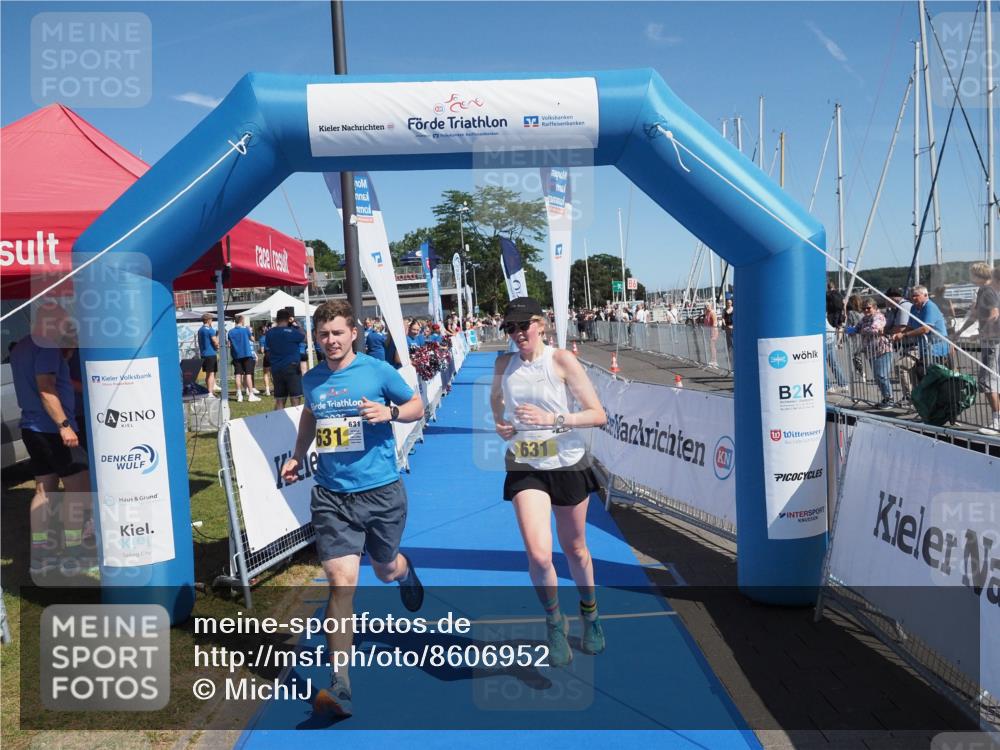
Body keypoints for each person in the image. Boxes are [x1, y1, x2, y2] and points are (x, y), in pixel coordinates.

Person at [281, 300, 425, 718]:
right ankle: (340, 683)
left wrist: (391, 412)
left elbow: (415, 405)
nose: (330, 341)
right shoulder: (312, 379)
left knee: (383, 569)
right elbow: (310, 416)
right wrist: (296, 454)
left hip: (380, 492)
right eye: (323, 335)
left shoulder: (377, 370)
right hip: (331, 495)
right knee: (340, 583)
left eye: (338, 333)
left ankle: (403, 569)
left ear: (353, 333)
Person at [490, 297, 608, 667]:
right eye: (510, 328)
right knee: (540, 554)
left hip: (567, 463)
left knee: (575, 550)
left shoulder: (561, 360)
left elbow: (597, 414)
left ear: (540, 324)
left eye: (523, 326)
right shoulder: (503, 363)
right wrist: (502, 424)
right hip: (525, 464)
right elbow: (497, 401)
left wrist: (553, 420)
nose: (517, 334)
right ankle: (555, 622)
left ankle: (590, 614)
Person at [10, 302, 91, 575]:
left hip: (31, 427)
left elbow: (53, 382)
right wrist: (65, 425)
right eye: (62, 321)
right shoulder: (46, 345)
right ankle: (73, 554)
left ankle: (42, 554)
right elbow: (46, 387)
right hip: (53, 430)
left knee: (44, 490)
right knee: (77, 491)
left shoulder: (22, 345)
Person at [956, 263, 1000, 434]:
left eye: (972, 274)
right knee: (994, 379)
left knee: (988, 380)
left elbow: (994, 314)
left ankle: (997, 421)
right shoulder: (989, 290)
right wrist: (961, 330)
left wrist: (982, 332)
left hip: (992, 340)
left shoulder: (987, 290)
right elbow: (974, 314)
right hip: (992, 339)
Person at [892, 285, 949, 395]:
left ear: (925, 295)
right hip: (924, 348)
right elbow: (911, 325)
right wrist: (900, 333)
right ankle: (917, 398)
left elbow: (925, 329)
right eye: (911, 296)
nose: (913, 298)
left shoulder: (930, 307)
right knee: (918, 373)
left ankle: (931, 402)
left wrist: (905, 335)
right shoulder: (913, 308)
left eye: (916, 296)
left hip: (937, 348)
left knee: (929, 376)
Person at [849, 297, 894, 408]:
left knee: (882, 375)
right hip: (871, 352)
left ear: (874, 307)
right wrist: (853, 329)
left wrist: (861, 330)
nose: (866, 310)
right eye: (863, 308)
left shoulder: (879, 316)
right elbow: (856, 327)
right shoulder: (864, 319)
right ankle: (885, 398)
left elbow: (875, 329)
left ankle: (890, 399)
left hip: (883, 350)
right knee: (877, 377)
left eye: (868, 308)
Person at [267, 309, 306, 410]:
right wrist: (295, 324)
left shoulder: (269, 333)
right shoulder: (292, 331)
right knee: (295, 398)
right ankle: (297, 423)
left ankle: (279, 422)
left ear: (277, 318)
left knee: (280, 399)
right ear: (288, 319)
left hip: (276, 368)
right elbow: (304, 336)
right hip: (292, 367)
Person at [228, 315, 260, 403]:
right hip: (247, 355)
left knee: (238, 375)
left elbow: (229, 344)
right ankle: (251, 395)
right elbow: (253, 339)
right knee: (248, 374)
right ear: (241, 321)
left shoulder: (230, 332)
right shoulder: (245, 330)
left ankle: (239, 395)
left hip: (236, 356)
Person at [197, 313, 219, 394]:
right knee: (211, 374)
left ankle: (208, 391)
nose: (212, 321)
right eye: (211, 319)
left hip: (203, 354)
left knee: (208, 374)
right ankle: (210, 392)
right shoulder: (210, 330)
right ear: (208, 320)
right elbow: (215, 342)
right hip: (210, 354)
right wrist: (218, 335)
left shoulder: (200, 330)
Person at [258, 323, 273, 397]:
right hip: (274, 355)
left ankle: (267, 390)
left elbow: (262, 350)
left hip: (267, 355)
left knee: (266, 373)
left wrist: (258, 351)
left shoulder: (262, 338)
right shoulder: (272, 336)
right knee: (274, 374)